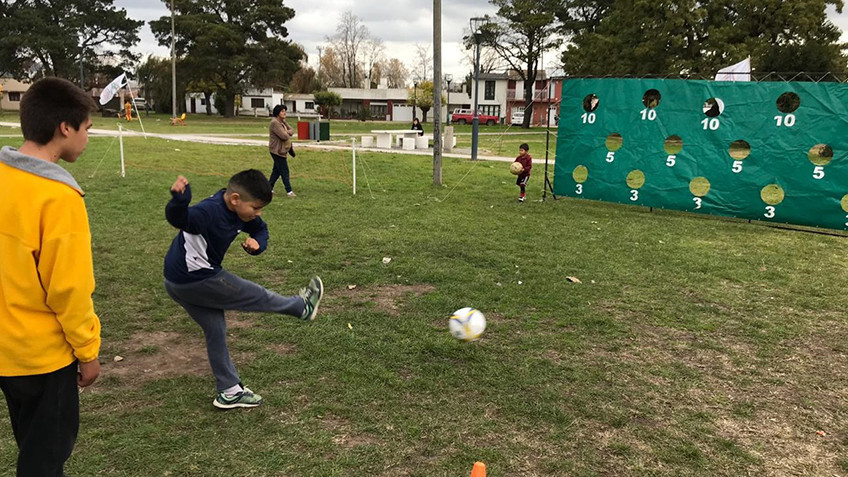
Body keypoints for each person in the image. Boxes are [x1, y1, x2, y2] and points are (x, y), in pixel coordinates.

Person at [0, 77, 102, 476]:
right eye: (87, 129)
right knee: (44, 459)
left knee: (32, 444)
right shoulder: (59, 197)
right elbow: (69, 289)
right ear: (65, 128)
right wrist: (88, 351)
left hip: (6, 354)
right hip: (40, 359)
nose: (87, 138)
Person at [163, 169, 324, 409]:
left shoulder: (240, 212)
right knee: (256, 295)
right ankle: (301, 308)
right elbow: (180, 219)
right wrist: (179, 201)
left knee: (215, 329)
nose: (257, 214)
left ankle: (229, 391)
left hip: (176, 281)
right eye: (256, 208)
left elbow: (261, 229)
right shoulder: (209, 211)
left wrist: (258, 244)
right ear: (236, 199)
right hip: (196, 279)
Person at [268, 104, 296, 197]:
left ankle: (268, 189)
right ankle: (289, 191)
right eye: (282, 111)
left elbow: (292, 130)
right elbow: (284, 136)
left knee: (276, 171)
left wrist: (287, 131)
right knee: (284, 170)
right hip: (277, 150)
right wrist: (287, 133)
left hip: (282, 150)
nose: (284, 113)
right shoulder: (275, 123)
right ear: (277, 113)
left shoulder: (282, 122)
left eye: (285, 111)